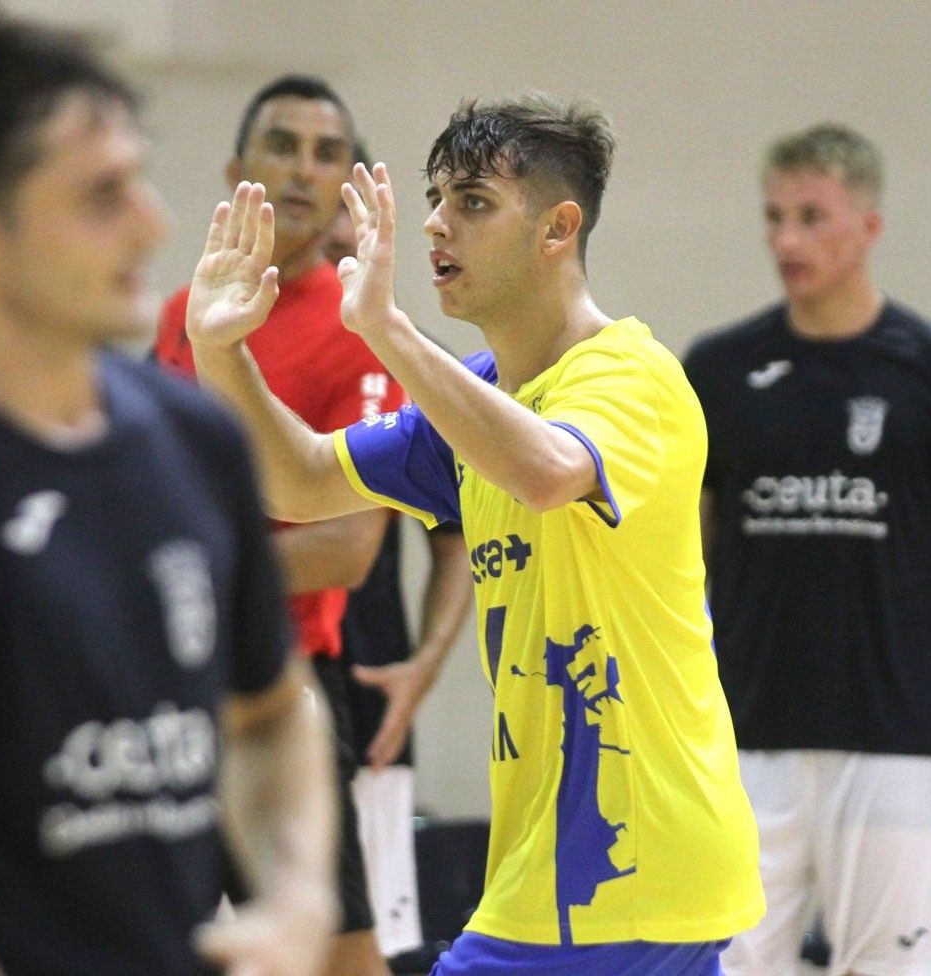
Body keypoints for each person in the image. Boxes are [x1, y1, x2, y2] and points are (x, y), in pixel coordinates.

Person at [0, 12, 341, 976]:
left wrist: (297, 902)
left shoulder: (197, 439)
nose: (154, 224)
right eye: (101, 196)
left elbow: (274, 713)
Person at [185, 93, 765, 975]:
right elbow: (296, 479)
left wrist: (386, 330)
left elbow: (547, 471)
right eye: (435, 199)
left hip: (622, 860)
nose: (435, 224)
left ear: (557, 228)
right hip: (590, 868)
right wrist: (221, 351)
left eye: (473, 202)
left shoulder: (632, 375)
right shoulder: (474, 398)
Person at [683, 123, 931, 976]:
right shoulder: (720, 369)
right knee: (724, 967)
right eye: (774, 216)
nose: (787, 240)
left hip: (889, 739)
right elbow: (681, 553)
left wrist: (927, 580)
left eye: (812, 217)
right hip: (743, 737)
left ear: (869, 226)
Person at [152, 75, 403, 976]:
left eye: (326, 153)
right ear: (237, 171)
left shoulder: (360, 326)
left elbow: (348, 546)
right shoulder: (181, 315)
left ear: (346, 181)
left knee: (339, 952)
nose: (303, 170)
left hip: (285, 687)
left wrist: (180, 571)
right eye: (283, 146)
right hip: (168, 685)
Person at [319, 168, 477, 960]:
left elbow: (456, 541)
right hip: (232, 701)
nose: (334, 236)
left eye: (348, 212)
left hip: (363, 692)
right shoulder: (217, 347)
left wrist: (424, 664)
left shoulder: (428, 372)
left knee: (362, 945)